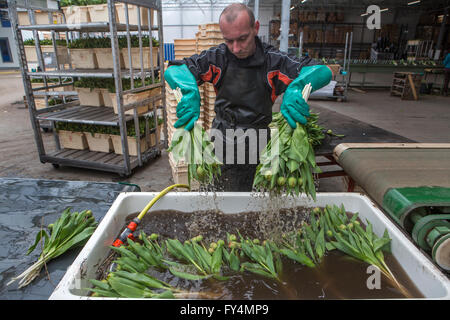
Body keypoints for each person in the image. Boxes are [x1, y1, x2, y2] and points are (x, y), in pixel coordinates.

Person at [164, 3, 332, 191]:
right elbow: (176, 69)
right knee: (217, 192)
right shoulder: (217, 57)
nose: (235, 48)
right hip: (221, 135)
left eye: (242, 39)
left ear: (256, 28)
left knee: (249, 193)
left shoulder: (273, 61)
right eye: (229, 40)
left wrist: (297, 87)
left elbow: (322, 70)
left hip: (256, 139)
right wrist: (188, 90)